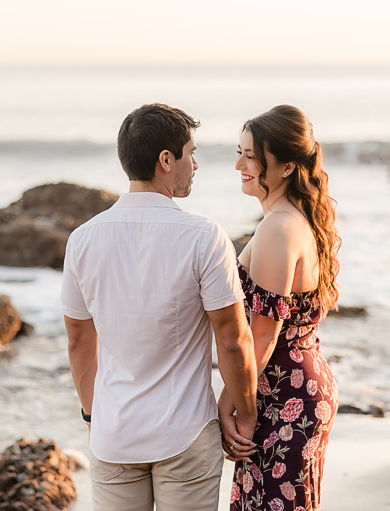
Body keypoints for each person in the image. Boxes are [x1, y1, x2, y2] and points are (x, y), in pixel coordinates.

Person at [61, 103, 259, 511]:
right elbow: (233, 339)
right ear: (166, 161)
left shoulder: (82, 239)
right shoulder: (204, 237)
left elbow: (79, 341)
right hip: (184, 433)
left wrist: (92, 416)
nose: (196, 164)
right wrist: (246, 412)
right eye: (191, 152)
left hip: (114, 434)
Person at [221, 104, 341, 511]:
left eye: (251, 156)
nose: (239, 163)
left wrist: (233, 404)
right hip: (297, 388)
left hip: (285, 399)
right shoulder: (295, 219)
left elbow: (263, 334)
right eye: (239, 152)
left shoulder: (278, 226)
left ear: (286, 166)